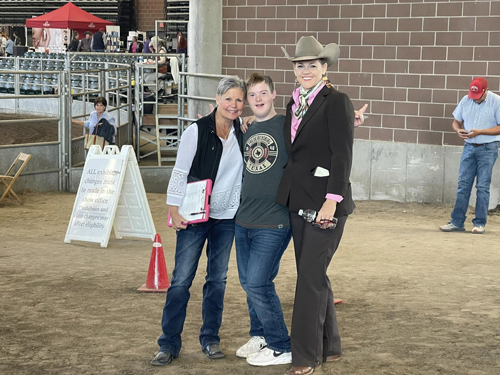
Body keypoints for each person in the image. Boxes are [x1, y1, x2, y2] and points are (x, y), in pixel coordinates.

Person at [150, 76, 246, 367]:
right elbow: (180, 171)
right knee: (181, 280)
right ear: (216, 100)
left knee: (217, 280)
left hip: (227, 217)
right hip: (195, 215)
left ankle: (210, 339)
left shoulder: (243, 131)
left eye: (239, 99)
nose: (233, 104)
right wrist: (173, 209)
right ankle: (168, 343)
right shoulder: (197, 130)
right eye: (228, 98)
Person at [275, 36, 355, 375]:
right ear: (294, 70)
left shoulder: (336, 101)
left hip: (326, 204)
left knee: (308, 279)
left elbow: (342, 155)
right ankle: (330, 345)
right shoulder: (294, 104)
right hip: (297, 201)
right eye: (300, 65)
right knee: (314, 274)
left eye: (312, 65)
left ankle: (304, 357)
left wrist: (332, 201)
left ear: (324, 68)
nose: (305, 70)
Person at [235, 73, 292, 367]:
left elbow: (319, 138)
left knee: (258, 282)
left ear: (273, 94)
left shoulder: (286, 125)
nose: (258, 99)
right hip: (243, 218)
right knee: (248, 282)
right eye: (252, 95)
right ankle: (260, 335)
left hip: (275, 220)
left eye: (263, 93)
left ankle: (281, 345)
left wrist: (350, 123)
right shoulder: (245, 128)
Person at [439, 77, 500, 234]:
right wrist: (458, 130)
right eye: (473, 95)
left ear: (485, 91)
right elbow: (456, 122)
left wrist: (480, 132)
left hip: (488, 148)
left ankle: (479, 223)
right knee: (463, 185)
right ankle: (457, 222)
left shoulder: (496, 102)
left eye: (478, 95)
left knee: (482, 186)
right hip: (469, 147)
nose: (475, 99)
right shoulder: (466, 99)